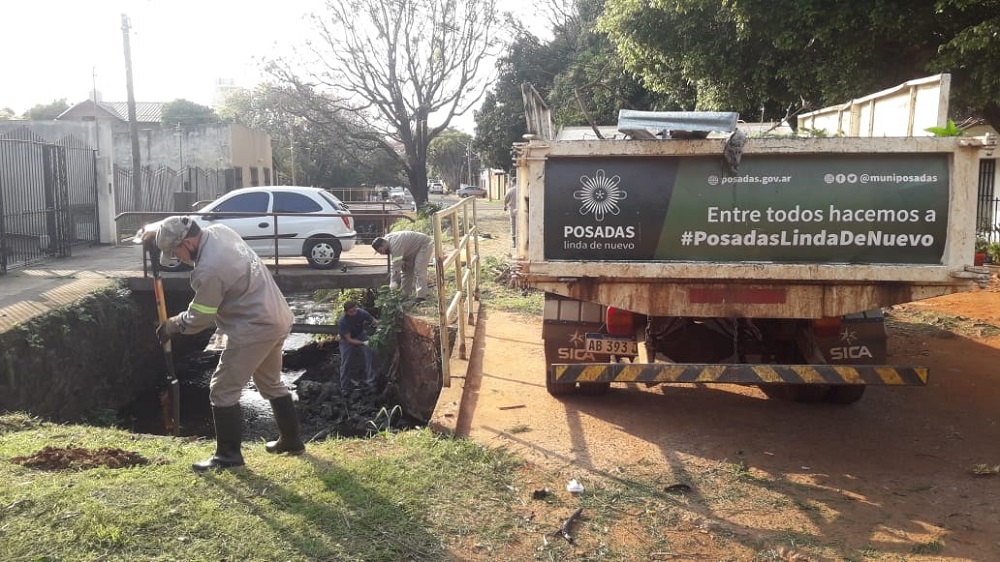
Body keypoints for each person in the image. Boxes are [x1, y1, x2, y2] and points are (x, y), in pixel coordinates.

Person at [150, 216, 304, 472]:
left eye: (176, 252)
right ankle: (292, 441)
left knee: (222, 390)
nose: (178, 259)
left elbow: (200, 317)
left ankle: (228, 456)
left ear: (188, 243)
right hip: (277, 316)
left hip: (253, 327)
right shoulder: (221, 232)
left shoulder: (209, 269)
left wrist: (172, 325)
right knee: (270, 382)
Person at [371, 231, 434, 300]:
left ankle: (421, 296)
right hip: (411, 249)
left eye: (381, 250)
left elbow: (396, 266)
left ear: (383, 244)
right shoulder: (387, 240)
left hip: (424, 244)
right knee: (405, 270)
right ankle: (404, 296)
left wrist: (393, 282)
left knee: (419, 269)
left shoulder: (395, 244)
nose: (381, 253)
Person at [337, 300, 378, 398]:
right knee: (346, 362)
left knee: (370, 353)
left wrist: (379, 326)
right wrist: (363, 343)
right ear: (346, 312)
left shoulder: (361, 313)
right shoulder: (343, 321)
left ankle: (371, 382)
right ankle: (344, 388)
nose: (354, 313)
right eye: (351, 312)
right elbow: (349, 339)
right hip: (346, 340)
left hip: (360, 334)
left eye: (355, 310)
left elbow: (373, 321)